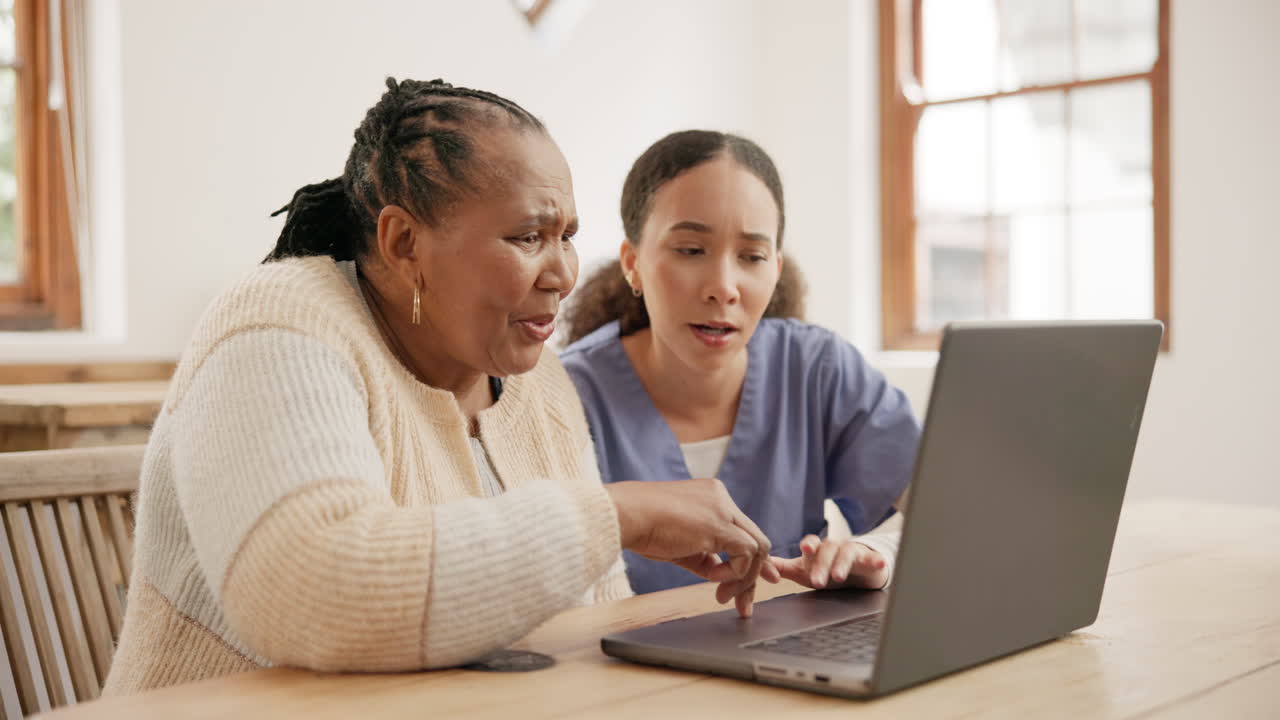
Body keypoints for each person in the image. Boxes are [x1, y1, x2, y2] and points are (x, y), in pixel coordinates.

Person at [104, 82, 777, 696]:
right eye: (528, 236)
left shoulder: (538, 382)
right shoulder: (278, 324)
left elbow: (589, 625)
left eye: (566, 236)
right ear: (403, 242)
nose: (563, 273)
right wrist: (619, 515)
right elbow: (318, 594)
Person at [561, 130, 919, 596]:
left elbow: (952, 513)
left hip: (796, 643)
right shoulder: (564, 396)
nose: (724, 287)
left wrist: (875, 555)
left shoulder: (817, 370)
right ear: (632, 262)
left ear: (776, 269)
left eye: (752, 256)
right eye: (691, 250)